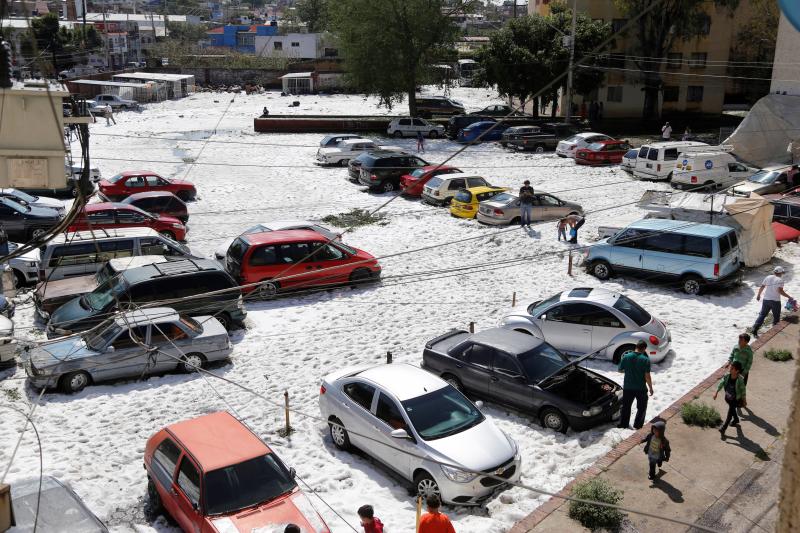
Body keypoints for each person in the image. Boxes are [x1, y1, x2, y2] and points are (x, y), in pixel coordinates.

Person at [617, 340, 653, 430]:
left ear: (636, 347)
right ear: (644, 349)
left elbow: (620, 370)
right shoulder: (645, 360)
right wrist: (651, 387)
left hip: (628, 387)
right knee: (641, 408)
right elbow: (647, 376)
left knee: (626, 407)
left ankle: (623, 424)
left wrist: (628, 371)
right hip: (641, 388)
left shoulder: (626, 356)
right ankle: (638, 425)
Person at [752, 266, 793, 337]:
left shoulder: (768, 277)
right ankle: (775, 331)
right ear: (781, 273)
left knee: (762, 315)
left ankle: (755, 329)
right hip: (775, 301)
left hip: (766, 300)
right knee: (776, 317)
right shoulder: (780, 280)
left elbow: (762, 287)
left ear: (774, 272)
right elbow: (780, 291)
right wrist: (789, 297)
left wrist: (758, 295)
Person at [714, 361, 747, 437]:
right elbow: (721, 383)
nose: (730, 369)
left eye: (732, 368)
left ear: (737, 371)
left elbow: (743, 391)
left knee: (730, 413)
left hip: (735, 399)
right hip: (728, 398)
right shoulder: (727, 376)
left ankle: (723, 428)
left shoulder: (740, 380)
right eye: (730, 367)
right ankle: (736, 419)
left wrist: (744, 401)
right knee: (732, 410)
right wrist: (716, 392)